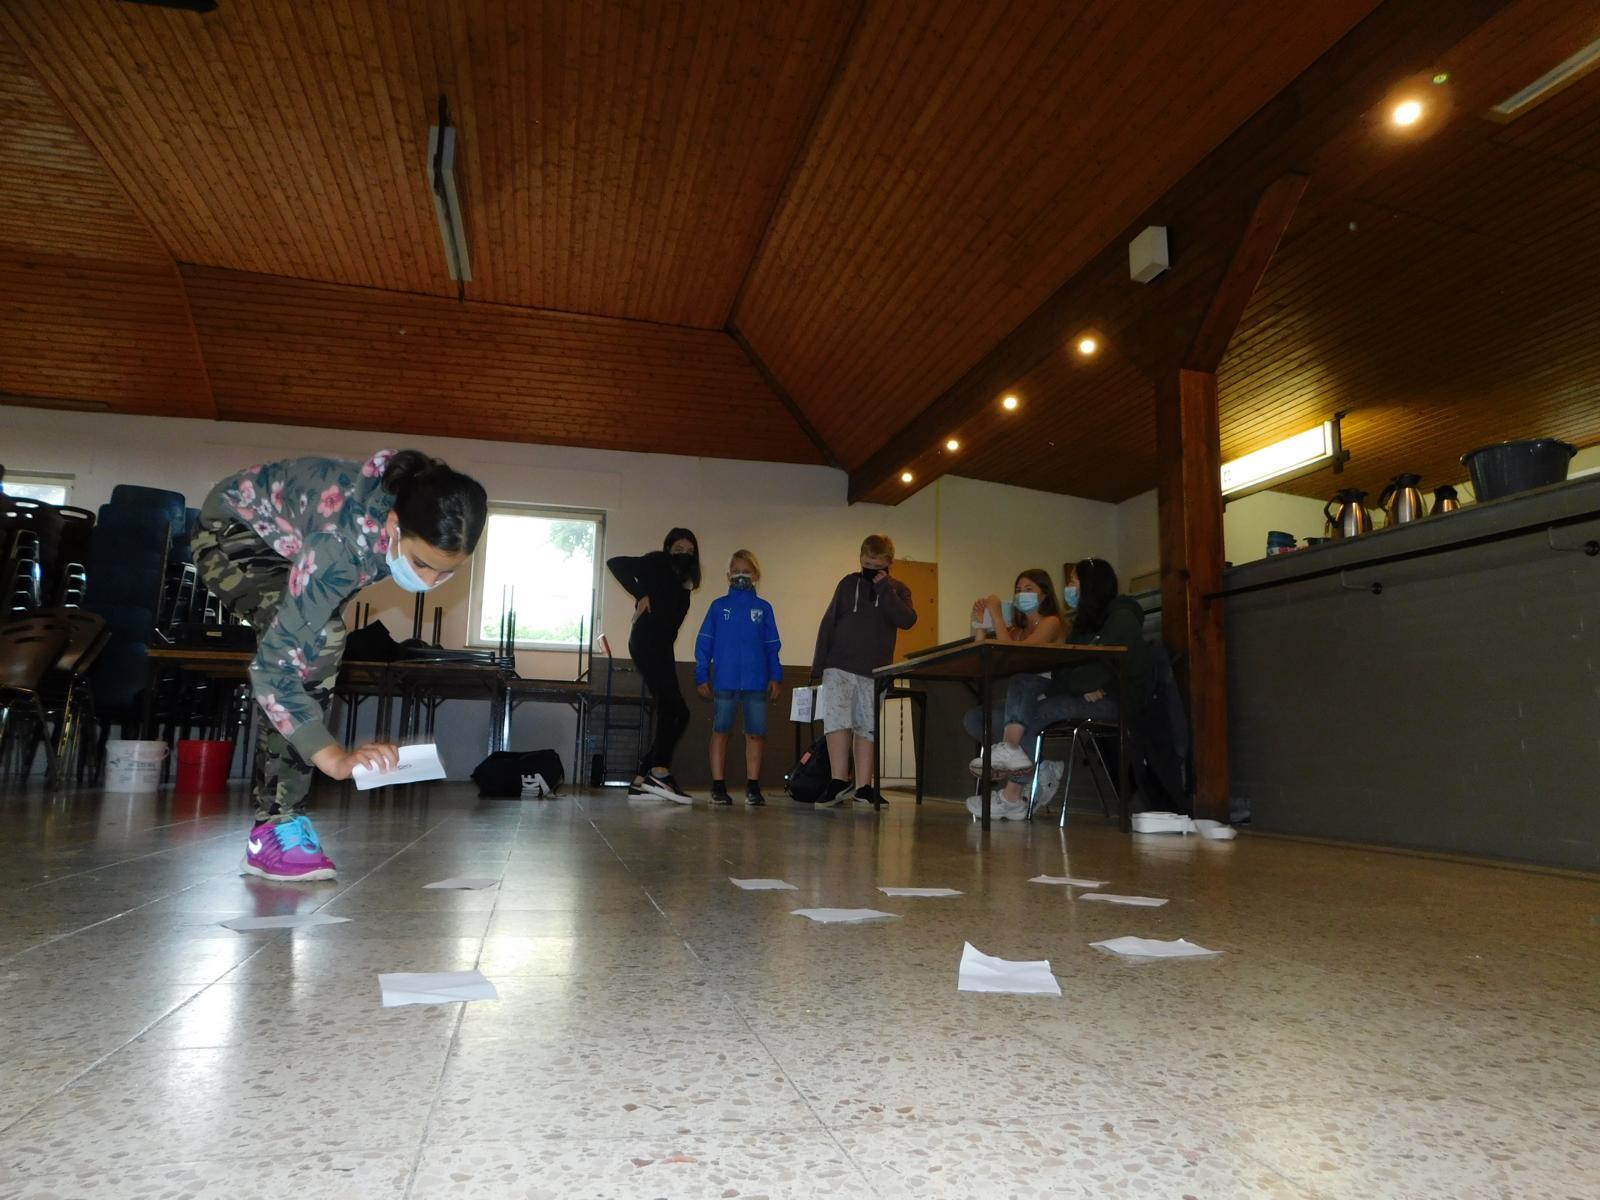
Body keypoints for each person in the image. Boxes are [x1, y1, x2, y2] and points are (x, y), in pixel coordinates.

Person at [195, 449, 487, 880]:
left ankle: (279, 818)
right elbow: (272, 669)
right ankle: (274, 827)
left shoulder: (400, 517)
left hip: (296, 538)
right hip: (232, 530)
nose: (428, 582)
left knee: (320, 636)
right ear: (393, 525)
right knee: (316, 642)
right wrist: (333, 758)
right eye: (422, 564)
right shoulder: (341, 544)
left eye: (447, 572)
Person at [965, 556, 1149, 821]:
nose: (1069, 588)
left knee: (1029, 705)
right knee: (979, 716)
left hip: (1108, 699)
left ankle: (1013, 794)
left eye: (1074, 581)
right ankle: (1033, 765)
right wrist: (981, 623)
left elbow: (1104, 667)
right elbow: (1067, 667)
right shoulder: (1083, 623)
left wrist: (1085, 685)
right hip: (1070, 692)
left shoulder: (1120, 618)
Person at [810, 534, 917, 809]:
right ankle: (838, 780)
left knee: (867, 726)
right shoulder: (847, 584)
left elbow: (907, 620)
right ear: (860, 559)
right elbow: (828, 622)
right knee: (837, 721)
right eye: (866, 564)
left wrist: (884, 589)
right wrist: (818, 665)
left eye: (877, 565)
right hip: (838, 666)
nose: (870, 569)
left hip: (874, 671)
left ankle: (864, 787)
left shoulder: (898, 589)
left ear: (889, 563)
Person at [608, 528, 701, 802]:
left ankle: (642, 777)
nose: (684, 554)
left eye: (689, 551)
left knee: (674, 711)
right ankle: (659, 772)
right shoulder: (657, 561)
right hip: (647, 642)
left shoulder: (685, 581)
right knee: (676, 710)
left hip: (662, 647)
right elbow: (616, 563)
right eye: (679, 549)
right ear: (668, 548)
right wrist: (641, 594)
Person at [693, 549, 782, 808]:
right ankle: (717, 786)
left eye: (746, 571)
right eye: (736, 571)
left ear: (756, 575)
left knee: (755, 734)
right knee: (721, 731)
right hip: (725, 681)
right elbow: (704, 643)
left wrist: (776, 676)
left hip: (756, 682)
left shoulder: (764, 608)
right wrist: (701, 674)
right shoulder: (718, 607)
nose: (741, 575)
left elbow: (772, 646)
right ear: (728, 575)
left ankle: (753, 787)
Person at [969, 568, 1066, 646]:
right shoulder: (1018, 631)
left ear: (1044, 595)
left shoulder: (1052, 622)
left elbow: (1015, 654)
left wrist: (998, 617)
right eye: (1018, 590)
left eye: (1028, 589)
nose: (1021, 594)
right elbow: (981, 657)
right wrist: (982, 623)